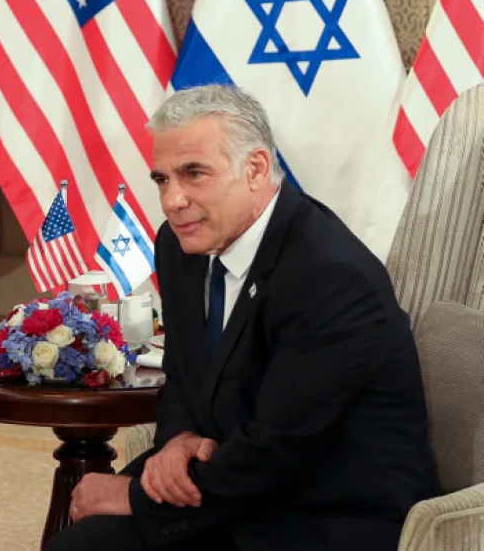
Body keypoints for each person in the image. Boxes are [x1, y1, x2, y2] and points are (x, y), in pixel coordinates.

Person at [46, 84, 437, 551]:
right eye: (162, 179)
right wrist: (179, 439)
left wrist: (135, 497)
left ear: (255, 168)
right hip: (231, 475)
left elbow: (281, 448)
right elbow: (183, 376)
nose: (173, 200)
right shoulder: (180, 245)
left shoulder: (329, 276)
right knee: (82, 543)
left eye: (194, 174)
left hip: (326, 510)